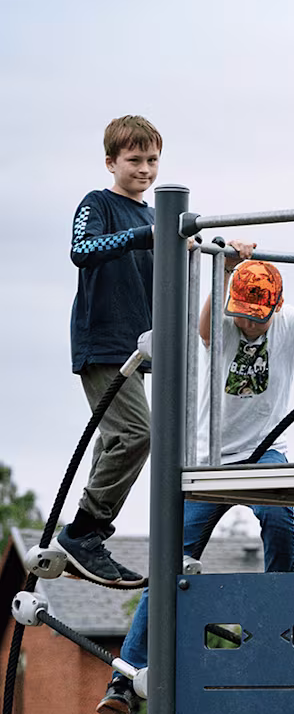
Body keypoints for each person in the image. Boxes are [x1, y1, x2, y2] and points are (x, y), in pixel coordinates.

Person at [98, 248, 294, 714]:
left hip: (264, 450)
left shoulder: (291, 323)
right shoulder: (220, 321)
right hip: (210, 459)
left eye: (256, 320)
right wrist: (222, 269)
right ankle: (126, 676)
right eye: (240, 316)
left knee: (278, 516)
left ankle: (283, 608)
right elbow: (203, 324)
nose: (247, 326)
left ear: (275, 309)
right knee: (170, 562)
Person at [59, 115, 163, 587]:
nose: (144, 169)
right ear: (111, 162)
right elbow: (82, 249)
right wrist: (139, 238)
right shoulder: (97, 203)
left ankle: (85, 537)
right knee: (138, 433)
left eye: (152, 160)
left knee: (115, 439)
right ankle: (86, 530)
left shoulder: (154, 215)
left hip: (136, 345)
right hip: (102, 340)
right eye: (134, 160)